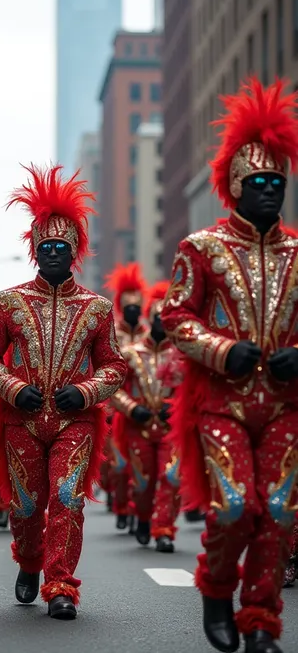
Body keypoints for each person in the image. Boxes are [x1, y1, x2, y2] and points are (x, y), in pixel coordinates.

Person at [161, 77, 298, 653]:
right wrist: (221, 349)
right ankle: (216, 588)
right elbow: (175, 315)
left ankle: (261, 619)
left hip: (286, 406)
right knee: (235, 506)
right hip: (223, 402)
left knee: (282, 512)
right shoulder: (203, 248)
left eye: (277, 181)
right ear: (235, 186)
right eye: (257, 181)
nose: (269, 190)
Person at [0, 164, 126, 620]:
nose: (55, 253)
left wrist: (85, 392)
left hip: (74, 422)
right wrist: (13, 388)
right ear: (35, 251)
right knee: (24, 505)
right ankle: (29, 559)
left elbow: (115, 365)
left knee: (67, 497)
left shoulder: (97, 308)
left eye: (63, 246)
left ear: (76, 250)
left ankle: (60, 585)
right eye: (47, 247)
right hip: (20, 420)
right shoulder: (8, 301)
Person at [111, 281, 183, 551]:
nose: (162, 323)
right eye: (158, 317)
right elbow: (114, 390)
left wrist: (174, 406)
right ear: (150, 318)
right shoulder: (131, 354)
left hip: (170, 428)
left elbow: (190, 391)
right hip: (137, 426)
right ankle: (141, 517)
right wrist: (132, 408)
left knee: (171, 476)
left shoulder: (180, 355)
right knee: (143, 480)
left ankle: (164, 529)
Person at [104, 262, 148, 530]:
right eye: (129, 306)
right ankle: (121, 506)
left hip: (146, 408)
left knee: (143, 466)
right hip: (114, 407)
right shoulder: (112, 334)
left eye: (137, 306)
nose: (133, 310)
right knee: (119, 464)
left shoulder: (150, 336)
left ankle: (136, 510)